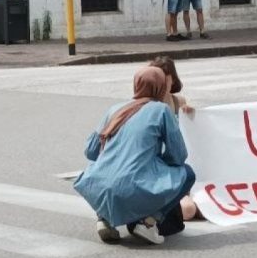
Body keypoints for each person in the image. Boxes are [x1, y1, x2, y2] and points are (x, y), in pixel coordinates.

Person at [74, 66, 196, 246]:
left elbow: (91, 151)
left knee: (109, 171)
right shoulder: (161, 110)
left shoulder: (115, 109)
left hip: (96, 185)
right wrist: (158, 164)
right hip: (134, 186)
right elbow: (178, 155)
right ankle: (147, 223)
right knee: (187, 173)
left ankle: (104, 218)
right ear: (161, 87)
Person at [148, 55, 202, 223]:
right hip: (161, 168)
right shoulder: (148, 105)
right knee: (188, 209)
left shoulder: (179, 102)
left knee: (205, 206)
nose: (163, 82)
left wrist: (191, 115)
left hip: (181, 163)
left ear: (172, 79)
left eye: (166, 77)